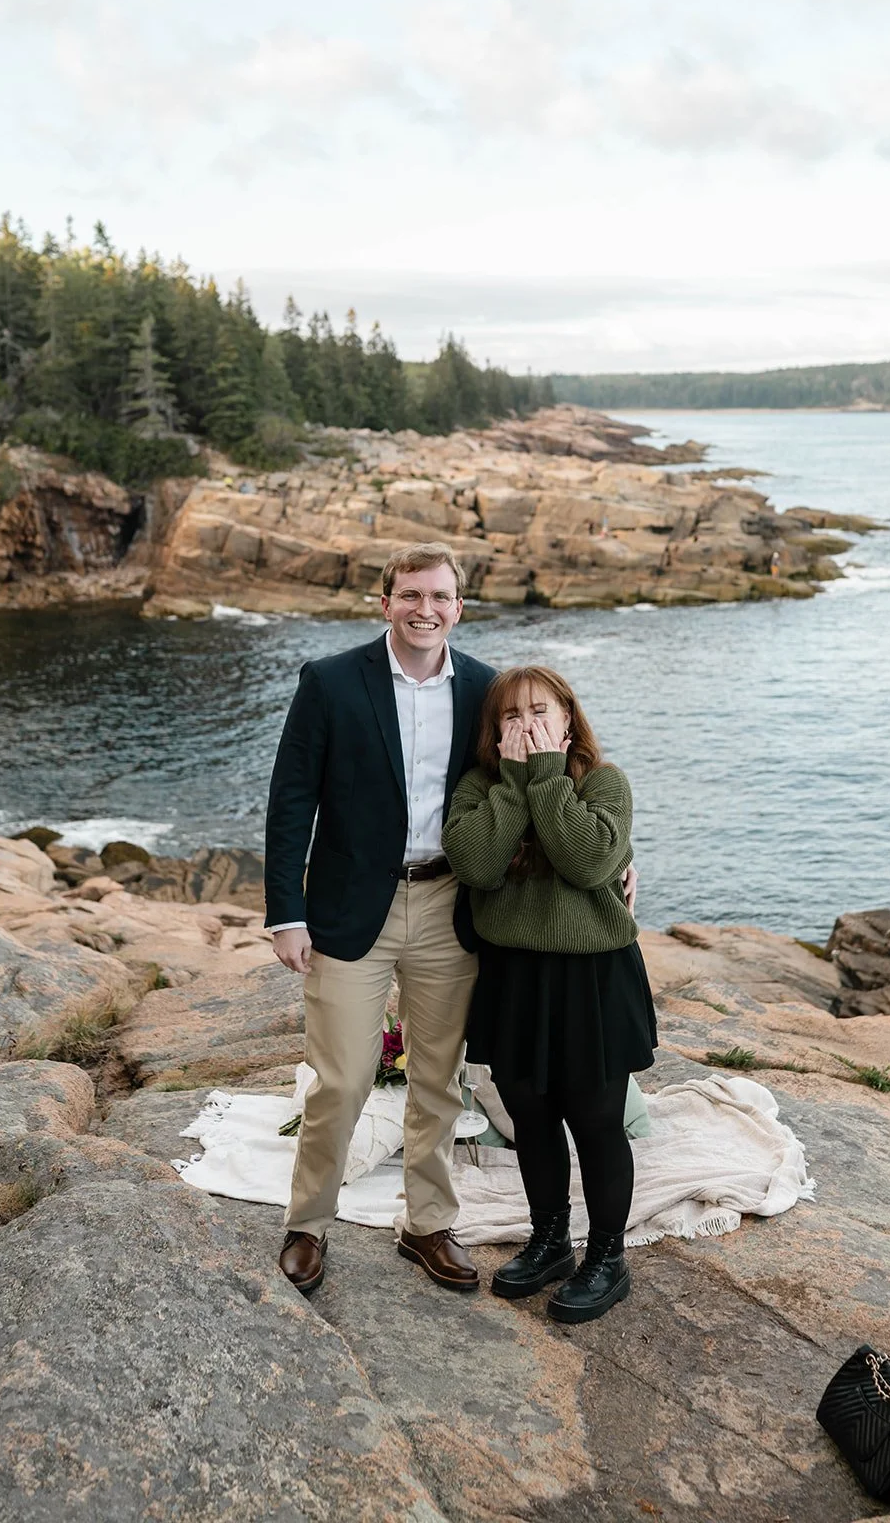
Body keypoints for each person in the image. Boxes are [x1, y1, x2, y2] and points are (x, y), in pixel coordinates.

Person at [264, 542, 497, 1296]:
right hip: (346, 908)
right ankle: (308, 1224)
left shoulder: (489, 690)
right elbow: (291, 800)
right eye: (409, 595)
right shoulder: (330, 682)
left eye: (439, 597)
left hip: (448, 904)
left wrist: (618, 853)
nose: (424, 609)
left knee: (439, 1080)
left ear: (459, 606)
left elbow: (543, 771)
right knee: (341, 1078)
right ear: (385, 601)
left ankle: (427, 1225)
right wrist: (284, 914)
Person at [442, 666, 657, 1324]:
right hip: (513, 978)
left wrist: (542, 775)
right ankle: (549, 1240)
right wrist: (515, 782)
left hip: (590, 979)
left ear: (568, 719)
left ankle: (607, 1258)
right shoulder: (479, 787)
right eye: (510, 715)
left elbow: (587, 860)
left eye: (540, 710)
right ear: (493, 729)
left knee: (594, 1124)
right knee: (530, 1118)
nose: (526, 723)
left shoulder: (603, 783)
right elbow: (474, 864)